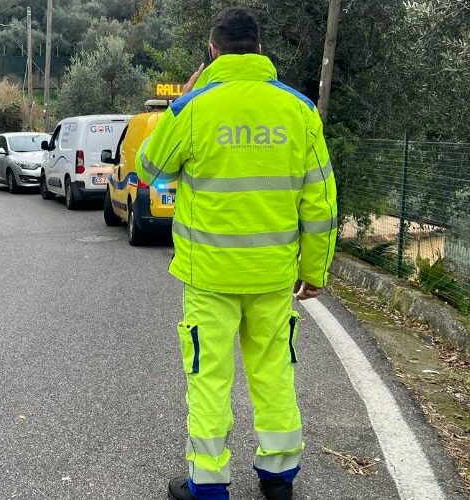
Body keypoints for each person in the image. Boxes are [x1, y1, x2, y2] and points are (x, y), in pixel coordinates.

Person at [137, 7, 338, 500]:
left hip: (209, 278)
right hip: (273, 277)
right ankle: (278, 478)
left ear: (212, 51)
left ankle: (208, 486)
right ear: (261, 49)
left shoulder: (193, 107)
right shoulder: (299, 110)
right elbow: (321, 200)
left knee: (208, 378)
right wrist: (315, 270)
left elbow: (148, 168)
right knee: (274, 374)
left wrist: (181, 102)